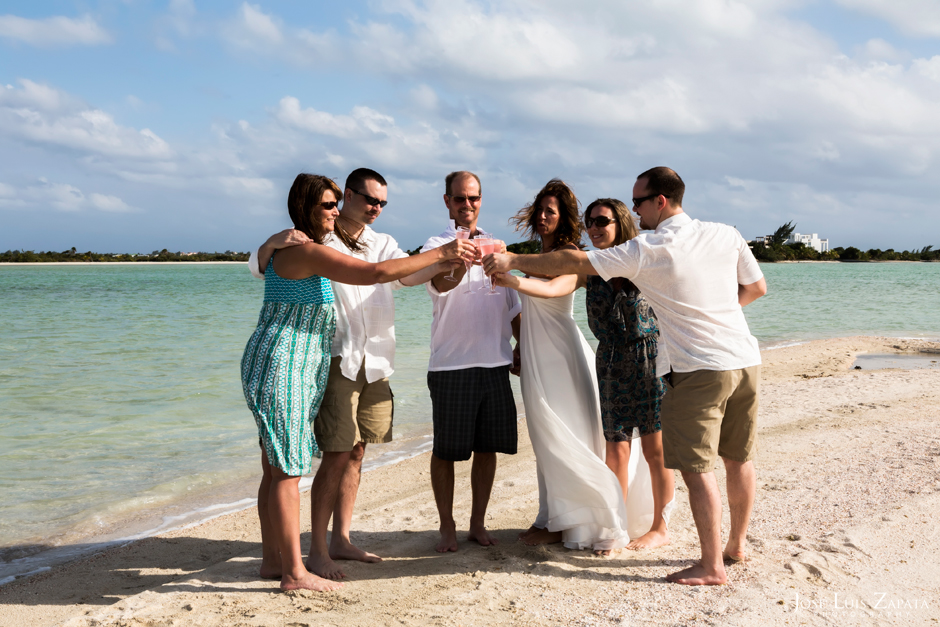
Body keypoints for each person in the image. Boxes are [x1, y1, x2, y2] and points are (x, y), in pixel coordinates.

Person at [483, 167, 767, 585]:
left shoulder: (648, 248)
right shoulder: (726, 233)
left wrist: (513, 261)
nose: (635, 207)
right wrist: (714, 319)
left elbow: (572, 261)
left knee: (695, 466)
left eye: (637, 201)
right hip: (743, 359)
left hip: (696, 367)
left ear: (660, 202)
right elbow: (757, 287)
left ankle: (710, 564)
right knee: (737, 458)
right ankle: (735, 544)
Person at [242, 173, 473, 591]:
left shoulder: (358, 241)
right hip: (303, 360)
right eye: (330, 205)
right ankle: (297, 567)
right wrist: (270, 242)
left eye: (382, 203)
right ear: (331, 201)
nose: (374, 208)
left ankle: (280, 560)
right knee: (289, 468)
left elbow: (405, 273)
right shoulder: (307, 246)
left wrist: (448, 264)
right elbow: (376, 273)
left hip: (332, 361)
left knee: (287, 465)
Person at [494, 179, 648, 553]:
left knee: (568, 434)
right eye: (541, 210)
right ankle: (554, 517)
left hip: (561, 354)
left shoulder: (571, 255)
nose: (544, 216)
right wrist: (516, 342)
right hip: (535, 354)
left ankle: (585, 519)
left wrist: (511, 278)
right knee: (545, 438)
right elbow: (523, 307)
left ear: (564, 220)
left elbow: (553, 290)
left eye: (552, 211)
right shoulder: (536, 253)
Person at [421, 170, 522, 553]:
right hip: (450, 366)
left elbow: (514, 306)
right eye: (460, 198)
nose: (467, 205)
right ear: (447, 201)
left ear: (481, 200)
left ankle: (477, 522)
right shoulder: (436, 244)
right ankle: (447, 525)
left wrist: (521, 347)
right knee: (445, 451)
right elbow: (439, 285)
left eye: (474, 198)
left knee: (488, 449)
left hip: (494, 364)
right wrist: (460, 260)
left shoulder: (498, 245)